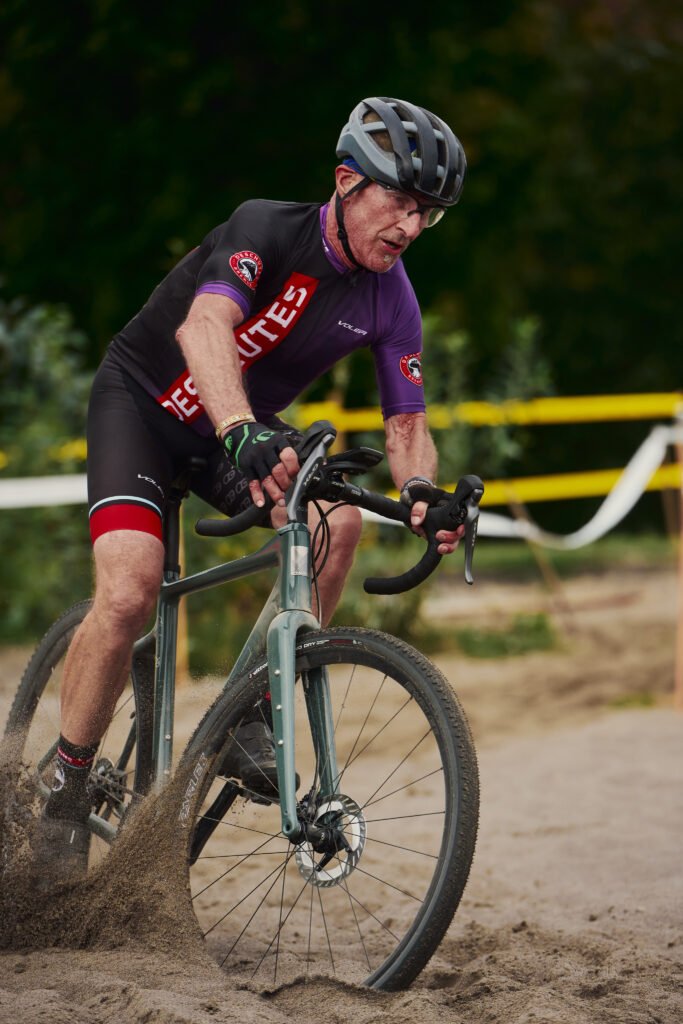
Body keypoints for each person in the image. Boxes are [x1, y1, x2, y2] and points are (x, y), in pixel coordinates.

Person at [35, 96, 468, 880]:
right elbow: (202, 329)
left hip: (232, 429)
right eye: (401, 202)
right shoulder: (265, 228)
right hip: (144, 406)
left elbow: (406, 422)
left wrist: (421, 491)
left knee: (336, 522)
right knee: (129, 594)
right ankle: (65, 784)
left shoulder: (392, 296)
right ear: (347, 180)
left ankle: (254, 716)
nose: (410, 227)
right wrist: (239, 427)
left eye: (426, 214)